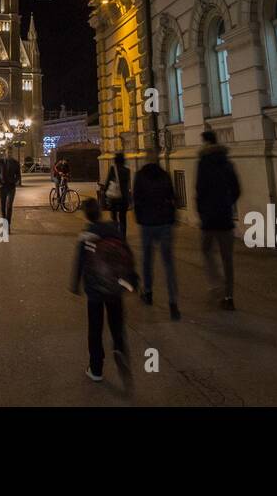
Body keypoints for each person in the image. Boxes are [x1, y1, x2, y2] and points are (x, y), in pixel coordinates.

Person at [71, 197, 136, 385]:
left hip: (95, 290)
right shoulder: (114, 229)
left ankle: (96, 368)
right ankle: (119, 349)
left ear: (86, 215)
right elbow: (127, 255)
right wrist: (132, 279)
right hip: (115, 287)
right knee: (117, 324)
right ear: (100, 212)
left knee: (95, 328)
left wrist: (75, 285)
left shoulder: (86, 235)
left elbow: (79, 263)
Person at [195, 131, 240, 310]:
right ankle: (229, 296)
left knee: (206, 251)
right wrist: (228, 204)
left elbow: (199, 190)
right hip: (225, 216)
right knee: (227, 259)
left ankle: (216, 284)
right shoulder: (227, 163)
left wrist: (202, 211)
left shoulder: (203, 164)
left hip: (209, 218)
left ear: (206, 143)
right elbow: (237, 189)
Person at [133, 158, 181, 320]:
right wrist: (172, 217)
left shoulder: (140, 176)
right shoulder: (165, 175)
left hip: (147, 223)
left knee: (147, 260)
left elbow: (137, 200)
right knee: (168, 264)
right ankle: (173, 302)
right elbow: (173, 197)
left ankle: (148, 292)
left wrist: (139, 218)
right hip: (165, 223)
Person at [99, 152, 131, 235]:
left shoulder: (113, 169)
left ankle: (116, 232)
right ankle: (123, 235)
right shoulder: (127, 170)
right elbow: (127, 184)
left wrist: (104, 192)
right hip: (124, 197)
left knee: (114, 216)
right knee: (123, 217)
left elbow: (108, 181)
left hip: (114, 197)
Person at [0, 152, 21, 229]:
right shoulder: (1, 161)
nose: (9, 154)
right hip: (2, 187)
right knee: (3, 206)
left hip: (11, 187)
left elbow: (18, 174)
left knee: (9, 206)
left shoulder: (15, 163)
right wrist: (0, 182)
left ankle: (8, 224)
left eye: (10, 153)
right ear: (6, 153)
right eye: (8, 153)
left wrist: (15, 181)